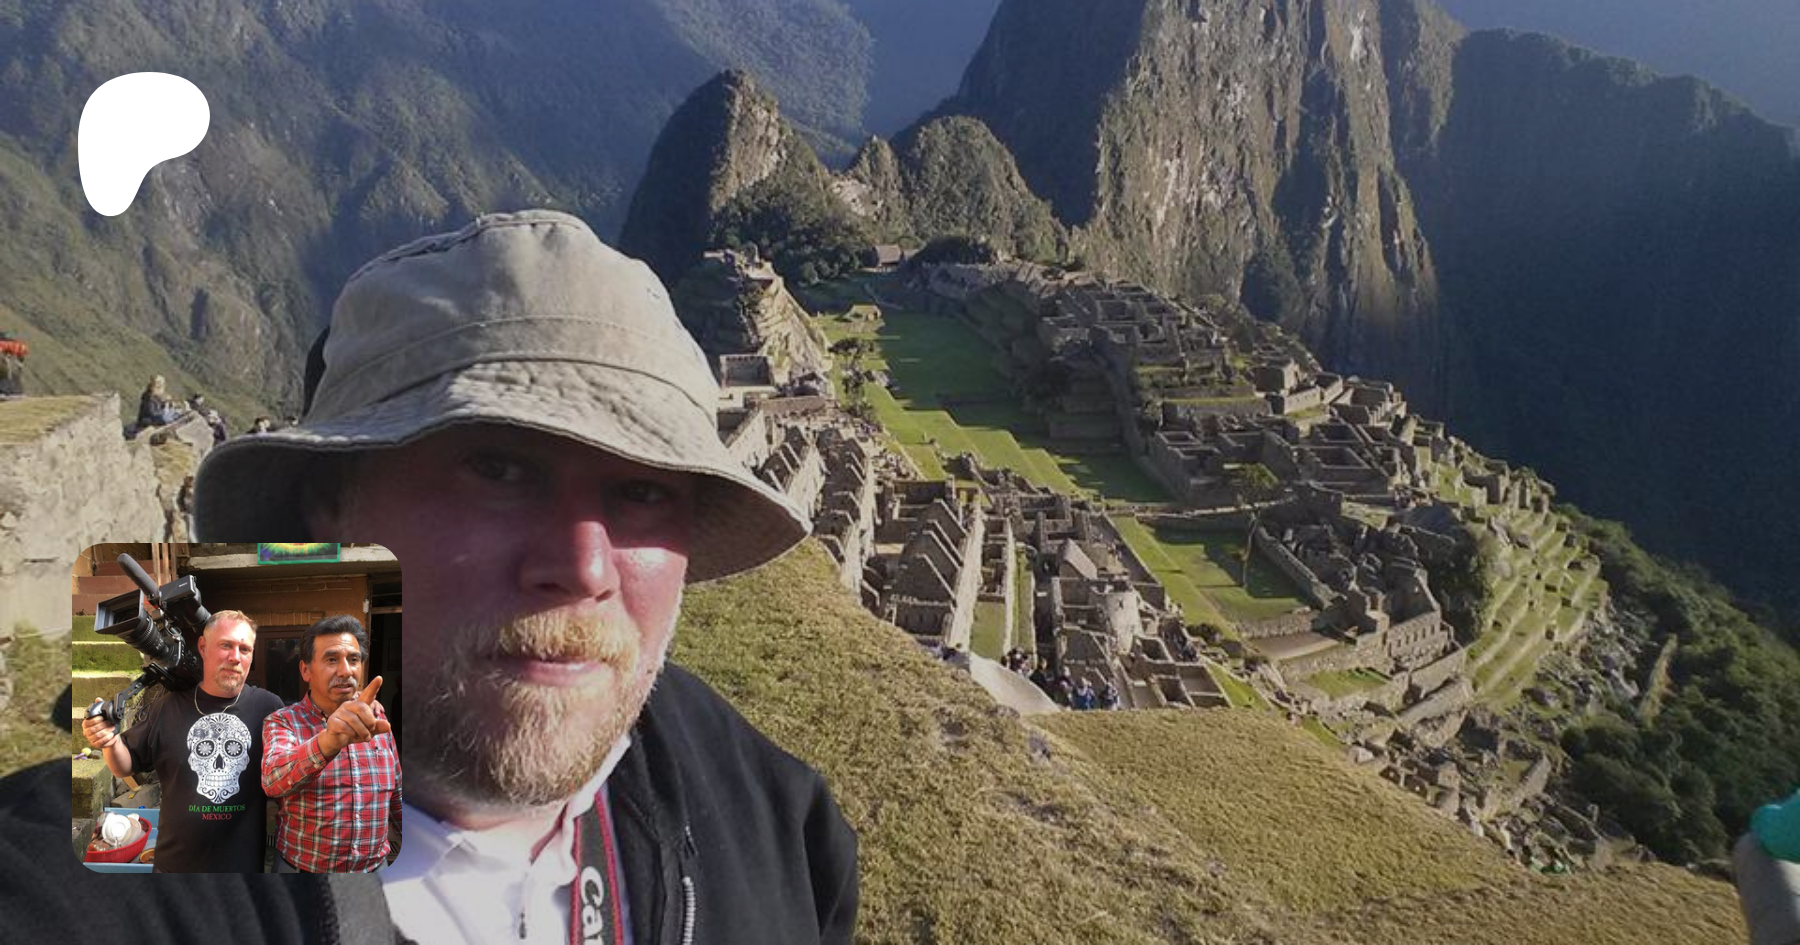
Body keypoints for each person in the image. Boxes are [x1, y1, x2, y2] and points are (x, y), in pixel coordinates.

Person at [191, 210, 857, 943]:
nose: (583, 568)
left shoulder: (777, 826)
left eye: (643, 490)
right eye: (498, 468)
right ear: (328, 504)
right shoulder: (141, 856)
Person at [80, 609, 285, 872]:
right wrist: (109, 741)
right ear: (203, 647)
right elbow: (124, 766)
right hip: (174, 866)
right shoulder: (167, 708)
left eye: (244, 649)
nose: (235, 657)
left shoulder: (269, 709)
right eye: (226, 645)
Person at [263, 614, 402, 873]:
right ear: (306, 670)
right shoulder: (284, 721)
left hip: (375, 870)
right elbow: (273, 781)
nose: (346, 671)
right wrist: (328, 741)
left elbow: (396, 795)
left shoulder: (377, 718)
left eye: (353, 659)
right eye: (331, 659)